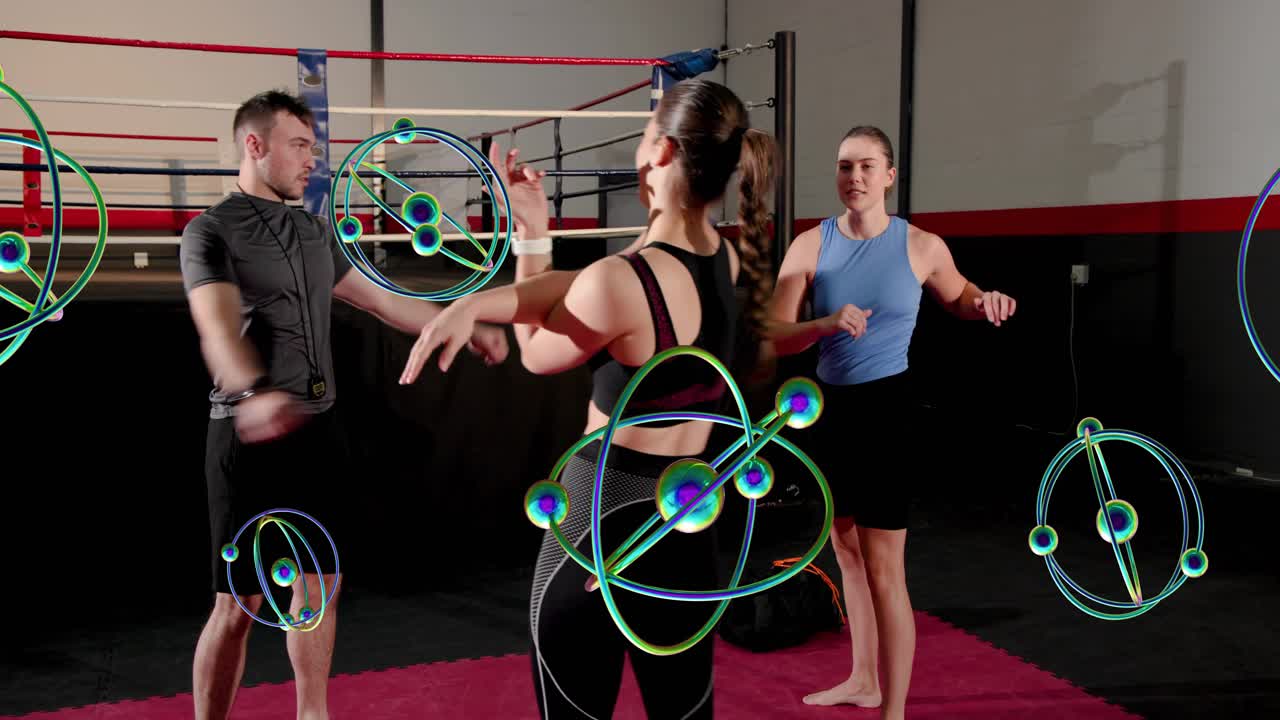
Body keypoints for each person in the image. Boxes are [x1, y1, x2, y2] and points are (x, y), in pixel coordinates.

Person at [399, 79, 776, 719]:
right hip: (687, 525)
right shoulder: (725, 260)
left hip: (601, 526)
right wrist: (533, 236)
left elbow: (536, 350)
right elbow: (582, 285)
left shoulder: (623, 280)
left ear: (659, 152)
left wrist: (491, 283)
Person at [179, 89, 508, 720]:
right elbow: (216, 327)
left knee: (318, 585)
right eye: (299, 145)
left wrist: (460, 322)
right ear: (255, 146)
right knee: (237, 607)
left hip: (316, 432)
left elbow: (383, 302)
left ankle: (314, 713)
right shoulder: (210, 232)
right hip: (244, 441)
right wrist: (252, 393)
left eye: (313, 146)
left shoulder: (311, 229)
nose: (312, 160)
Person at [763, 125, 1016, 720]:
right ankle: (862, 680)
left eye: (867, 167)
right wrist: (823, 325)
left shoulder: (922, 245)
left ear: (890, 175)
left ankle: (894, 711)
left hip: (886, 414)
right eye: (845, 166)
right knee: (846, 555)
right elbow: (773, 337)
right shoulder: (809, 245)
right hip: (826, 412)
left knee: (884, 569)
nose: (854, 177)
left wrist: (987, 301)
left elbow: (959, 298)